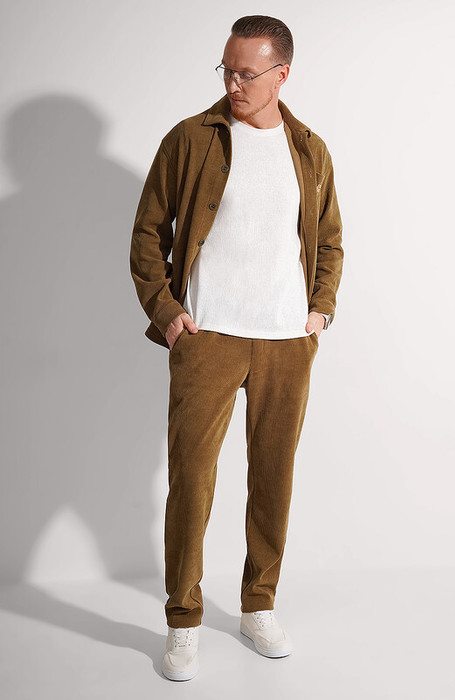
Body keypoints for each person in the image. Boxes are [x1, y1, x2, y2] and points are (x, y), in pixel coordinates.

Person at [130, 14, 343, 682]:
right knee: (191, 480)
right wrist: (168, 313)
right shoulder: (190, 139)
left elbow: (330, 239)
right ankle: (182, 620)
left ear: (282, 74)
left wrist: (320, 308)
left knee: (272, 478)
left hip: (286, 341)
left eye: (247, 73)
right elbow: (147, 233)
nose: (232, 83)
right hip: (208, 337)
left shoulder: (309, 149)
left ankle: (259, 605)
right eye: (226, 69)